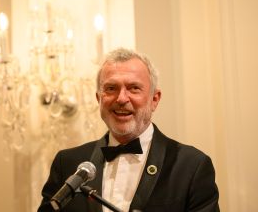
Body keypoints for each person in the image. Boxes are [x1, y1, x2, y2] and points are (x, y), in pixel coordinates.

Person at [38, 48, 219, 212]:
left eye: (134, 88)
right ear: (98, 98)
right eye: (111, 88)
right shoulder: (67, 163)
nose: (121, 98)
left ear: (154, 99)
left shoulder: (191, 166)